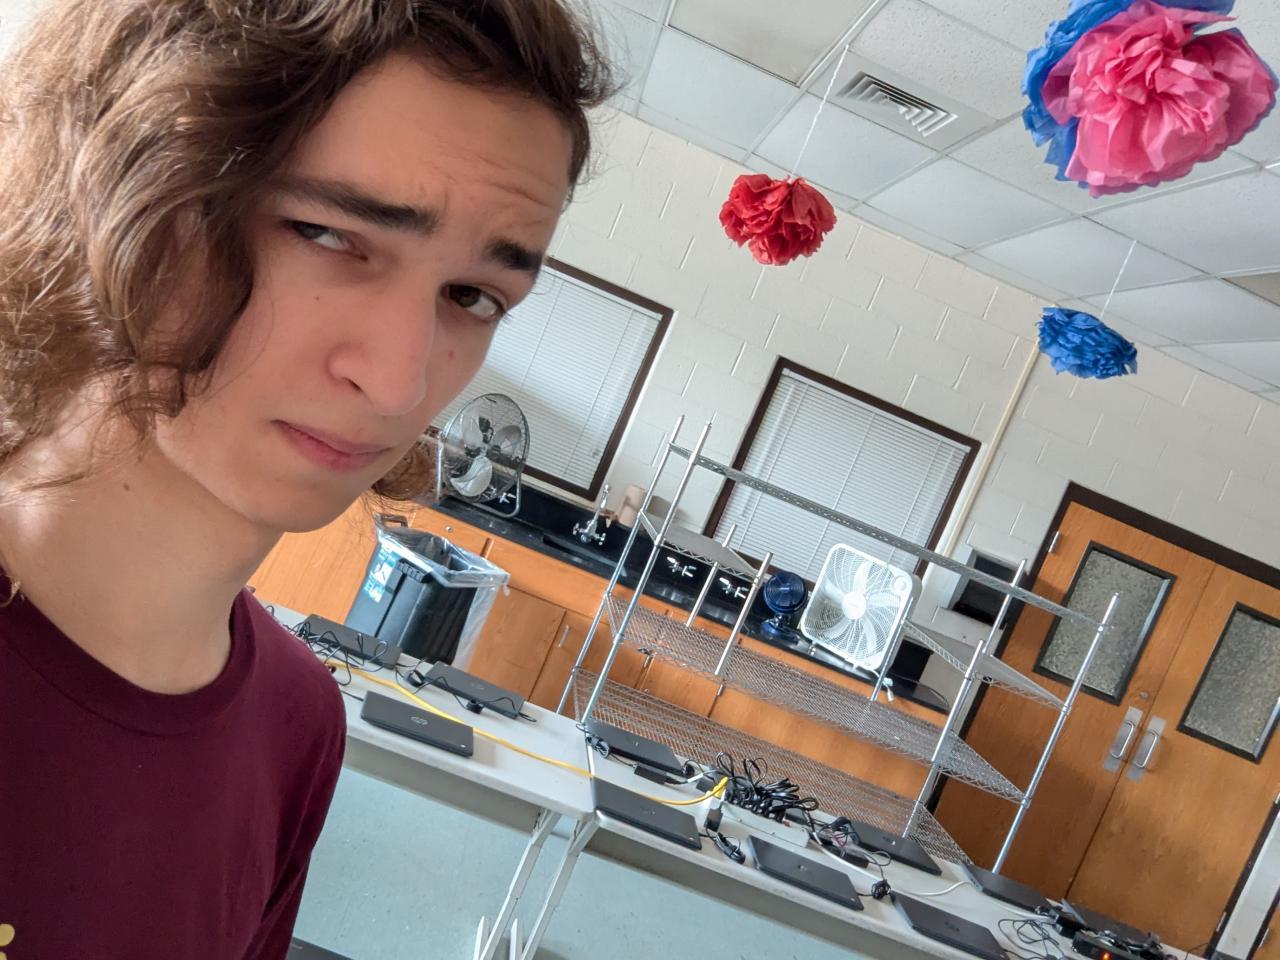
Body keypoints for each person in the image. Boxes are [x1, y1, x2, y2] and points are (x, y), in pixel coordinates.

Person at [0, 1, 613, 956]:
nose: (401, 381)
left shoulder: (296, 727)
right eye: (327, 234)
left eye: (472, 296)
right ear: (119, 184)